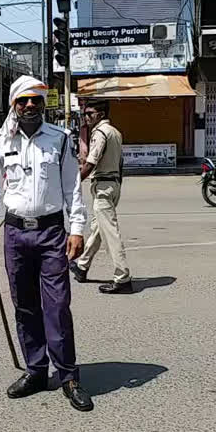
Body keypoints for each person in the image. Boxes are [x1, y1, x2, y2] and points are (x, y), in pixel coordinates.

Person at [0, 75, 93, 412]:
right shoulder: (2, 142)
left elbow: (73, 187)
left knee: (57, 306)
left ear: (44, 104)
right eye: (23, 100)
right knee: (25, 306)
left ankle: (69, 375)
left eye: (36, 100)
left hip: (51, 233)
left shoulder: (59, 139)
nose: (30, 105)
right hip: (15, 234)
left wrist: (78, 229)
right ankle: (37, 371)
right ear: (13, 105)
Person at [69, 101, 132, 294]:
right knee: (98, 229)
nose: (86, 117)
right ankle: (82, 266)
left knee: (110, 233)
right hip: (112, 184)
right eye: (84, 114)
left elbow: (90, 163)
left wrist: (72, 184)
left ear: (100, 114)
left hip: (104, 186)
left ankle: (122, 277)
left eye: (89, 113)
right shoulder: (115, 132)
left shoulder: (101, 133)